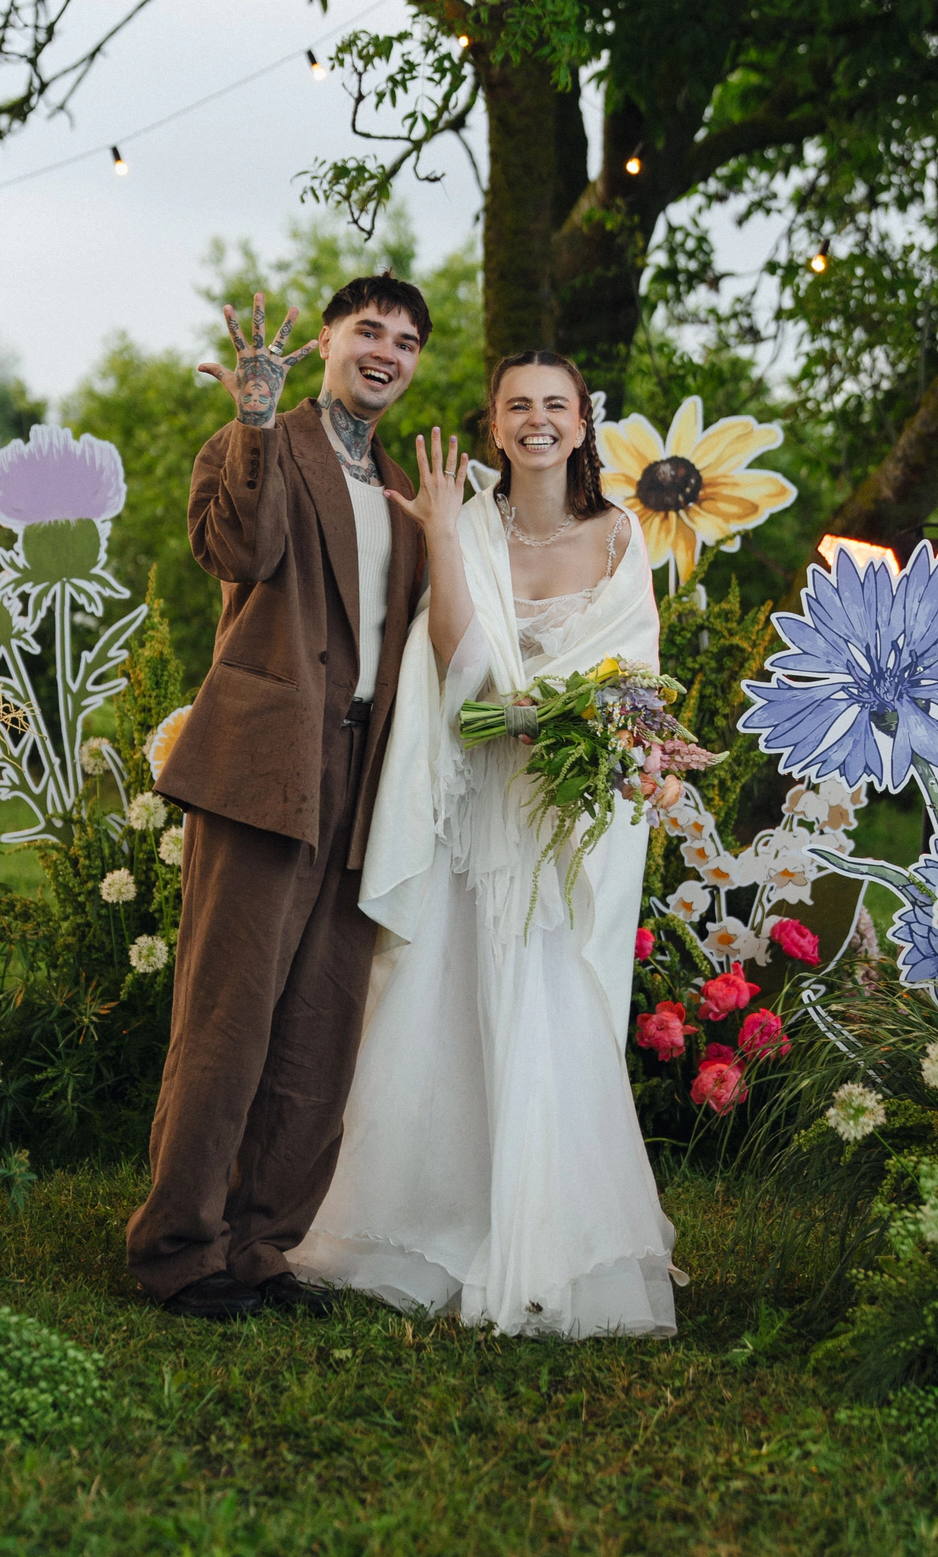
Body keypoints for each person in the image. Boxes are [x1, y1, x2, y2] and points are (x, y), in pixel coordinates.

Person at [287, 350, 679, 1339]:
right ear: (495, 426)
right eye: (518, 406)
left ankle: (548, 1242)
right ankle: (427, 1230)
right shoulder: (465, 521)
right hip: (476, 795)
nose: (538, 420)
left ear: (582, 425)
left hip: (558, 811)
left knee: (552, 999)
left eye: (556, 405)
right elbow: (453, 656)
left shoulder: (619, 533)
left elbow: (632, 678)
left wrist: (568, 729)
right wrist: (440, 534)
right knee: (442, 991)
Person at [126, 274, 429, 1319]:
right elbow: (240, 551)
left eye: (405, 341)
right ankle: (178, 1248)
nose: (385, 351)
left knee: (319, 1026)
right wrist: (253, 419)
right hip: (265, 763)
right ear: (329, 342)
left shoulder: (402, 486)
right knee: (229, 1016)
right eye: (367, 331)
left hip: (364, 774)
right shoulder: (256, 441)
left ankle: (259, 1247)